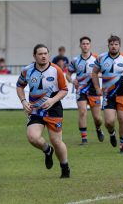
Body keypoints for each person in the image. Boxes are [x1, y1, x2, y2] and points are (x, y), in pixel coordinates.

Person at [16, 44, 70, 178]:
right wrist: (23, 101)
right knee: (32, 137)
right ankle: (47, 150)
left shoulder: (56, 70)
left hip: (54, 109)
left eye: (45, 53)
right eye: (40, 54)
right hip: (36, 109)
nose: (43, 56)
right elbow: (19, 86)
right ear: (34, 56)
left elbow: (64, 90)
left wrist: (52, 101)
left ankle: (65, 167)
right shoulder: (27, 70)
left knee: (56, 141)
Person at [92, 35, 123, 153]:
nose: (114, 46)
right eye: (111, 44)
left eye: (116, 44)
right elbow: (94, 73)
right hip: (108, 94)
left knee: (122, 119)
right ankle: (112, 133)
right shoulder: (101, 58)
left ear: (119, 46)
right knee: (109, 122)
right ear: (108, 45)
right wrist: (97, 87)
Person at [66, 36, 104, 145]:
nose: (85, 45)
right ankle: (84, 139)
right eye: (83, 44)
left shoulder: (97, 59)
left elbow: (103, 72)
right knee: (82, 112)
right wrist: (72, 80)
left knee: (98, 118)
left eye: (87, 43)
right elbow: (68, 74)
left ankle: (98, 129)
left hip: (94, 90)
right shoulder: (75, 60)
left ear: (90, 45)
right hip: (81, 90)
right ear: (80, 46)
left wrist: (99, 75)